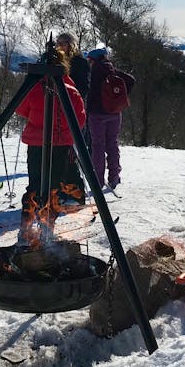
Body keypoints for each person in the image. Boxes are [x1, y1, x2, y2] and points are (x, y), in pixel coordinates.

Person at [16, 49, 86, 245]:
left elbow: (20, 109)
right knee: (53, 188)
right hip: (61, 147)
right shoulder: (71, 92)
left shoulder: (34, 88)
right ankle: (47, 230)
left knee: (34, 185)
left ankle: (25, 228)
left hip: (36, 145)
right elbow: (80, 119)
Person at [86, 47, 135, 191]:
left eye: (90, 60)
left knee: (97, 146)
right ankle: (114, 177)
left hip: (96, 114)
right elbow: (131, 80)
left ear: (94, 60)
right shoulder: (113, 71)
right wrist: (119, 97)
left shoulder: (92, 73)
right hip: (114, 113)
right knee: (112, 145)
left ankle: (98, 181)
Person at [55, 31, 89, 203]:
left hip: (74, 112)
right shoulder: (57, 62)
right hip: (58, 113)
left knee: (70, 154)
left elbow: (83, 89)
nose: (60, 46)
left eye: (64, 43)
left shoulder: (79, 62)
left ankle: (76, 192)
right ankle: (62, 190)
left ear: (71, 44)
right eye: (58, 43)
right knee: (60, 154)